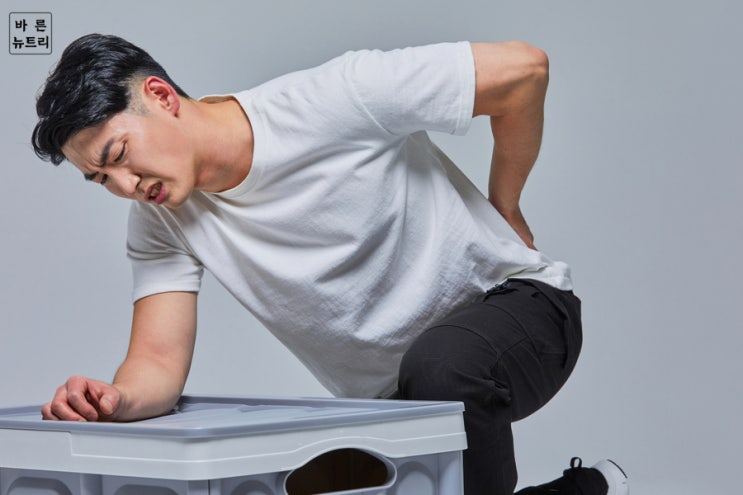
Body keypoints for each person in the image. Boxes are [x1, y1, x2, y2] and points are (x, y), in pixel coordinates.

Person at [31, 33, 628, 495]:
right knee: (305, 482)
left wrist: (507, 204)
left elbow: (523, 70)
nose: (126, 186)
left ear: (161, 97)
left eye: (119, 155)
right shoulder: (160, 221)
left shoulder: (334, 97)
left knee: (442, 368)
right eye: (101, 179)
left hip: (520, 312)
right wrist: (112, 401)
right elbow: (158, 362)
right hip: (400, 407)